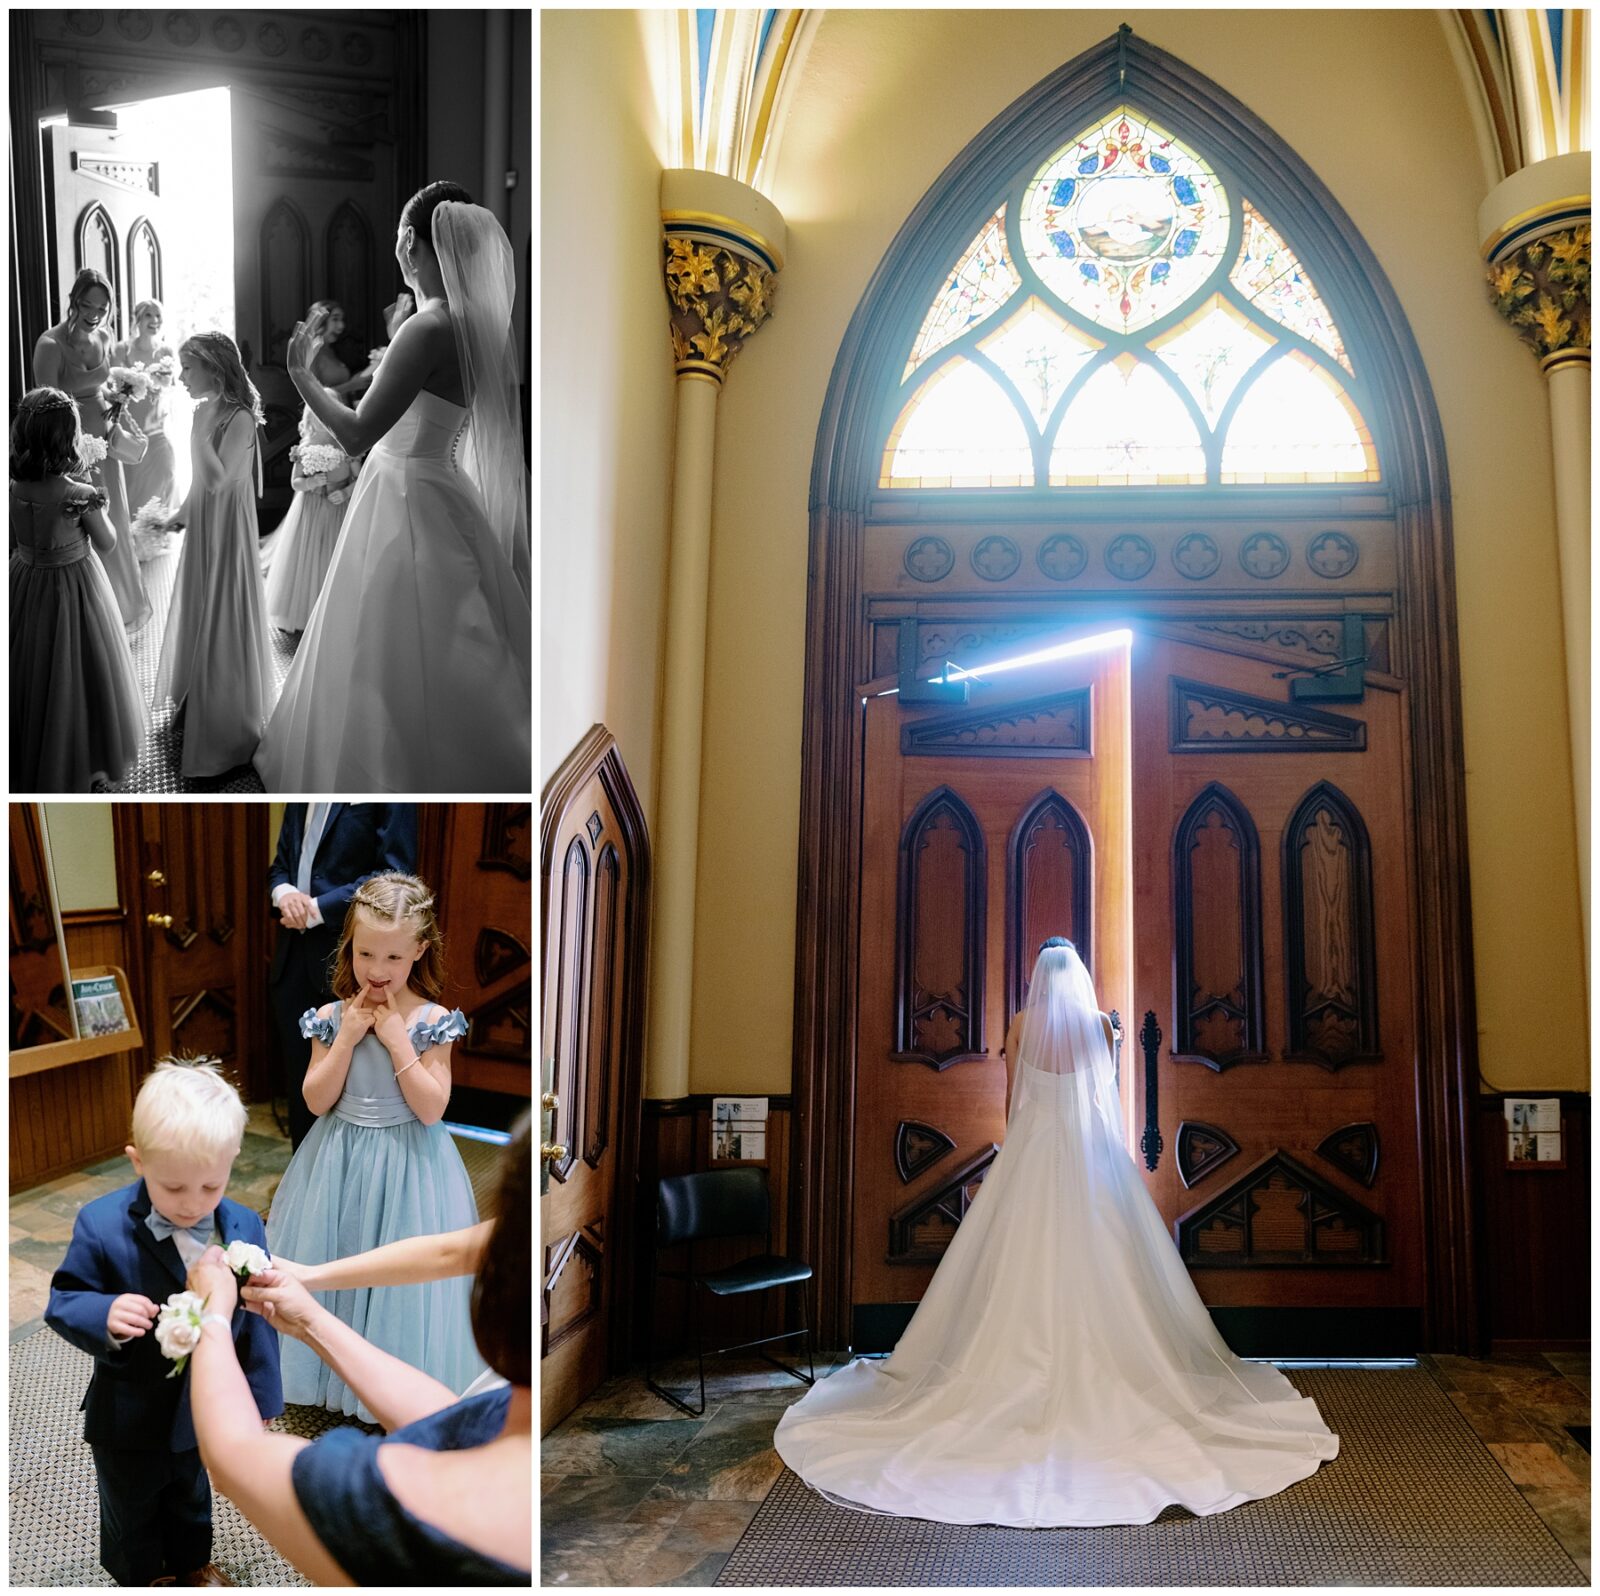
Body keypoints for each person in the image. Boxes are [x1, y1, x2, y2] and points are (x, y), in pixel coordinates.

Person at [774, 937, 1340, 1527]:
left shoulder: (1021, 1024)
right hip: (1092, 1153)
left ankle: (997, 1377)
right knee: (1108, 1264)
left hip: (1036, 1150)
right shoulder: (1099, 1025)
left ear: (1039, 978)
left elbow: (1013, 1102)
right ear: (1081, 977)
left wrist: (1018, 1150)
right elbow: (1107, 1094)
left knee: (1018, 1263)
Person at [253, 180, 531, 792]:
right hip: (444, 486)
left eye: (404, 239)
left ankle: (388, 770)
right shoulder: (474, 324)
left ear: (411, 241)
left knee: (384, 648)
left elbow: (356, 434)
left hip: (402, 492)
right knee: (456, 641)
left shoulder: (428, 327)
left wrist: (300, 374)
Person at [186, 1115, 533, 1584]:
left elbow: (233, 1457)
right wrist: (312, 1319)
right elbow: (453, 1423)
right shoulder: (514, 1428)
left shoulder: (395, 1505)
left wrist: (210, 1316)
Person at [44, 1060, 283, 1587]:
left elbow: (257, 1320)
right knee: (131, 1505)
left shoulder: (242, 1225)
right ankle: (141, 1577)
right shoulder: (101, 1225)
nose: (192, 1203)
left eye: (210, 1186)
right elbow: (64, 1299)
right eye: (173, 1188)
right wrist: (102, 1314)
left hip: (206, 1405)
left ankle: (192, 1564)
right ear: (137, 1161)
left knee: (192, 1492)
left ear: (231, 1162)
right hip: (129, 1410)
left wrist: (262, 1399)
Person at [265, 872, 486, 1417]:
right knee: (335, 1251)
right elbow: (317, 1100)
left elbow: (432, 1107)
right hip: (337, 1159)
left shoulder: (433, 1022)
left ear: (419, 952)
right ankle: (328, 1376)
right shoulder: (329, 1018)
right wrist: (345, 1037)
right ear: (350, 948)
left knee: (395, 1278)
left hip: (409, 1165)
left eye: (392, 957)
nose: (377, 970)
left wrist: (394, 1043)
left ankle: (386, 1390)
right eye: (366, 954)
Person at [10, 387, 145, 791]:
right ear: (68, 438)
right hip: (74, 587)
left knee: (31, 668)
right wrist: (97, 507)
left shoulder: (15, 487)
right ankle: (86, 757)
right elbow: (107, 543)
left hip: (25, 580)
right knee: (79, 670)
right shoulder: (79, 494)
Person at [153, 332, 272, 779]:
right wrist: (178, 515)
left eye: (189, 368)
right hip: (204, 527)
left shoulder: (238, 417)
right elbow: (199, 484)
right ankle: (194, 695)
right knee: (198, 607)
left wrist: (201, 434)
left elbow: (221, 480)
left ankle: (226, 722)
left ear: (214, 368)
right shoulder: (204, 412)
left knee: (221, 612)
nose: (181, 377)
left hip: (228, 534)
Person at [267, 803, 418, 1150]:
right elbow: (280, 866)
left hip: (354, 964)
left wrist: (317, 910)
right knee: (303, 1087)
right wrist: (284, 893)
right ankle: (306, 1185)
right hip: (292, 963)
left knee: (353, 1087)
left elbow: (394, 872)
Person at [32, 267, 152, 632]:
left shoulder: (105, 334)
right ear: (74, 301)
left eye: (103, 307)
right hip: (71, 445)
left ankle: (118, 608)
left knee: (112, 519)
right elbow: (45, 407)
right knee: (81, 523)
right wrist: (70, 449)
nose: (95, 313)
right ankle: (89, 616)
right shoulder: (50, 345)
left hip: (105, 440)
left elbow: (98, 388)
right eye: (87, 305)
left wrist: (116, 400)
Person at [263, 404, 359, 634]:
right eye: (315, 418)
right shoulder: (303, 448)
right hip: (309, 511)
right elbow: (295, 482)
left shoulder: (346, 447)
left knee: (333, 558)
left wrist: (345, 492)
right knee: (307, 559)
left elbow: (360, 476)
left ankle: (336, 612)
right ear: (309, 421)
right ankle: (302, 612)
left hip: (337, 511)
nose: (320, 422)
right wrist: (310, 483)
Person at [115, 298, 180, 515]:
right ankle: (136, 536)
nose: (154, 320)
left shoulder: (166, 351)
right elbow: (115, 387)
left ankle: (160, 529)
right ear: (138, 320)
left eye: (158, 315)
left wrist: (157, 385)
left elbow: (170, 389)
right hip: (130, 428)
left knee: (166, 473)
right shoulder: (122, 350)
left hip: (157, 429)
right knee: (134, 490)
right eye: (148, 315)